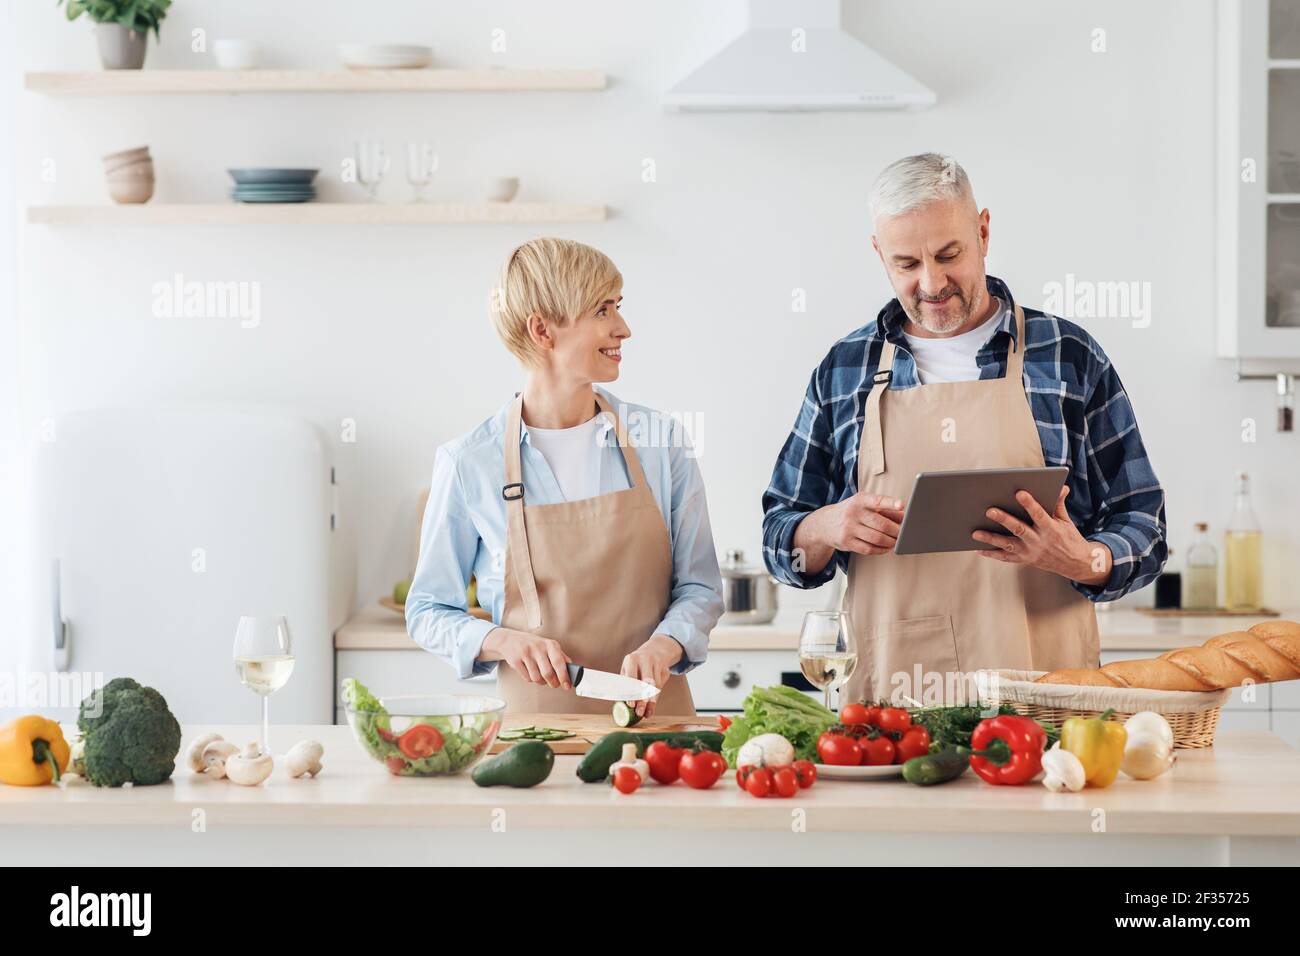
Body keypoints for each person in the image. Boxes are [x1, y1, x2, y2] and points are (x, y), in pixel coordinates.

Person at [762, 153, 1168, 705]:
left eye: (948, 254)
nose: (931, 283)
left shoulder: (1067, 356)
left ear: (982, 231)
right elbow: (779, 534)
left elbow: (1145, 521)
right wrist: (827, 527)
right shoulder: (845, 368)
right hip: (893, 700)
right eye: (906, 263)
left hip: (1044, 695)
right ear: (878, 253)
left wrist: (1087, 560)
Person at [407, 237, 724, 717]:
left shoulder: (660, 441)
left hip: (657, 725)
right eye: (602, 310)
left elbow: (700, 587)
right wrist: (500, 640)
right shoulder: (470, 461)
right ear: (542, 330)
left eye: (618, 306)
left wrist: (666, 645)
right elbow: (428, 610)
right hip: (536, 733)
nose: (624, 328)